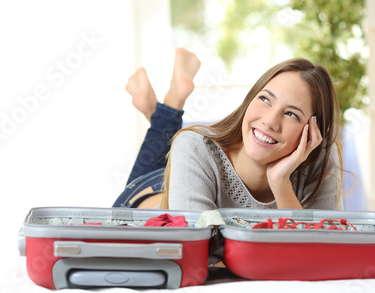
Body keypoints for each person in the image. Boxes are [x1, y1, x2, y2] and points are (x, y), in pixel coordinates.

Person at [112, 48, 343, 211]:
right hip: (144, 200)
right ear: (249, 100)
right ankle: (169, 102)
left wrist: (281, 183)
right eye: (265, 99)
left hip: (194, 174)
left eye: (292, 114)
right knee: (184, 145)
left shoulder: (320, 163)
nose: (271, 121)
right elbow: (199, 248)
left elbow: (316, 250)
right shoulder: (194, 146)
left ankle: (158, 109)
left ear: (313, 131)